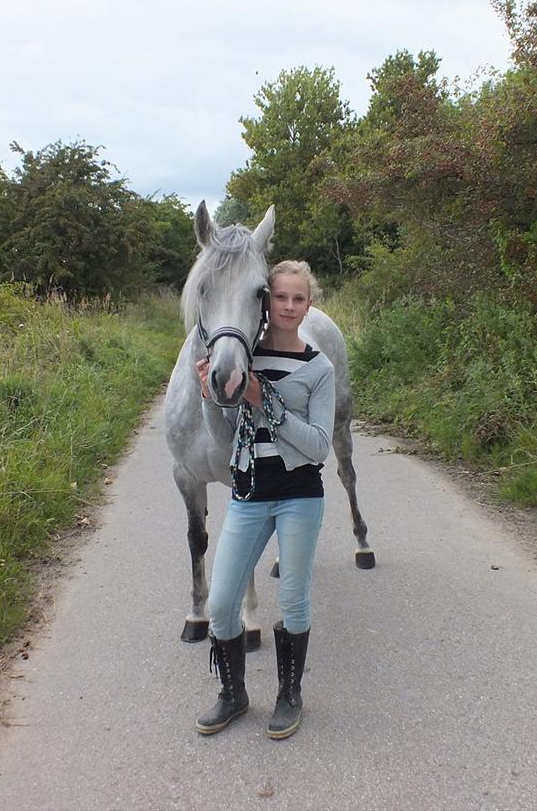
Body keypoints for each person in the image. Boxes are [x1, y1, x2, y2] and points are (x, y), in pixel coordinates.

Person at [193, 260, 334, 740]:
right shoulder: (241, 357)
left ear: (308, 305)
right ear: (265, 302)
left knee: (293, 600)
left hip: (299, 496)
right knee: (222, 601)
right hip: (249, 494)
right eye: (280, 297)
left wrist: (264, 399)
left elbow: (318, 446)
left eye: (298, 299)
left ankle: (289, 695)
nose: (289, 307)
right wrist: (211, 396)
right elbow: (226, 437)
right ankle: (233, 694)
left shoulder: (319, 367)